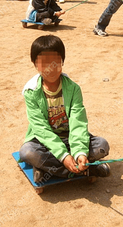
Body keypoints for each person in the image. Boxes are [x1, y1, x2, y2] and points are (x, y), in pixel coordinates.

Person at [19, 35, 110, 183]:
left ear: (62, 61)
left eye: (56, 62)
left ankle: (48, 169)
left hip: (70, 138)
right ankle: (86, 171)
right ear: (35, 64)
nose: (51, 68)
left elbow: (78, 123)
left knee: (102, 146)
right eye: (45, 63)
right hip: (44, 142)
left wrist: (80, 152)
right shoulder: (31, 92)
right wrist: (63, 156)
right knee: (27, 152)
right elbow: (40, 128)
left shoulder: (73, 89)